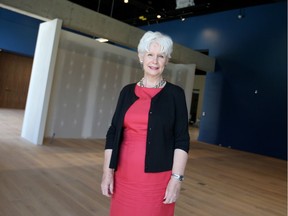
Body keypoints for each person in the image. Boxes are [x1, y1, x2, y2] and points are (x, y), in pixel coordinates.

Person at [101, 31, 190, 216]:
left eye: (161, 56)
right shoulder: (127, 92)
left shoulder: (175, 95)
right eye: (150, 54)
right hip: (124, 175)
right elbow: (113, 132)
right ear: (141, 57)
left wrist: (176, 179)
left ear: (167, 60)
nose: (155, 61)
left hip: (157, 179)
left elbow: (181, 139)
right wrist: (107, 172)